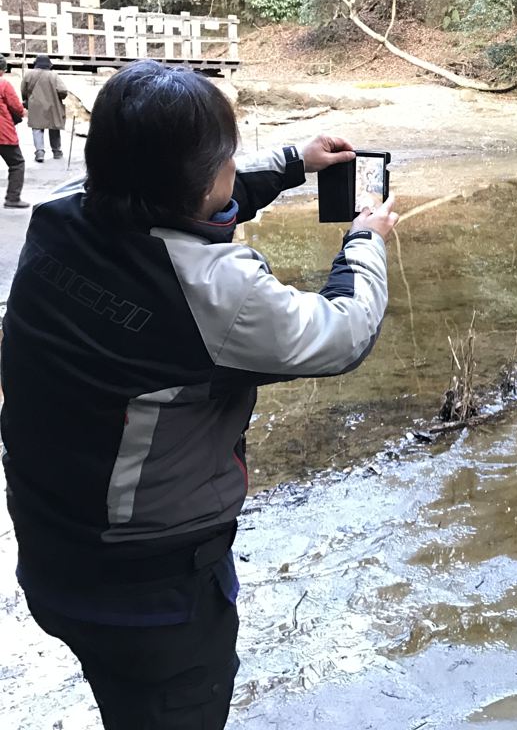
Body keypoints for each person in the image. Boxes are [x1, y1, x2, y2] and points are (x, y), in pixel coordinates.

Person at [0, 60, 399, 728]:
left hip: (56, 555)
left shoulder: (61, 216)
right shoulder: (214, 290)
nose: (231, 170)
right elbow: (340, 334)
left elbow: (167, 191)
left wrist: (290, 164)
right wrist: (363, 244)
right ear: (202, 176)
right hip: (153, 591)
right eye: (226, 159)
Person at [20, 54, 68, 161]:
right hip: (52, 106)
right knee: (54, 128)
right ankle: (57, 152)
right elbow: (63, 91)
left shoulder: (29, 75)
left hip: (35, 105)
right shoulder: (54, 76)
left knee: (37, 129)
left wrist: (26, 100)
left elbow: (23, 90)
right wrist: (59, 97)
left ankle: (40, 152)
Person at [0, 57, 28, 209]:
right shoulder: (3, 84)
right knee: (17, 163)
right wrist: (22, 112)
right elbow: (16, 107)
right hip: (2, 133)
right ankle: (13, 198)